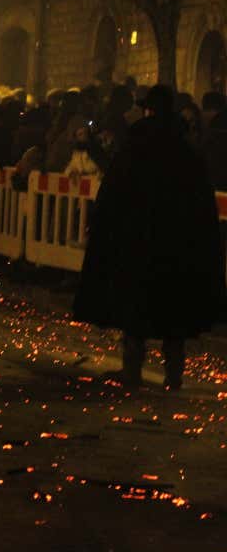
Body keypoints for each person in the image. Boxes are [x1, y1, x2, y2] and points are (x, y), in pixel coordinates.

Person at [74, 85, 225, 390]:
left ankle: (133, 369)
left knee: (135, 309)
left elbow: (115, 190)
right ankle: (174, 374)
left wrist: (104, 227)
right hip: (177, 245)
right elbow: (201, 203)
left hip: (138, 242)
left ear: (148, 111)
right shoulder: (187, 152)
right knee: (174, 313)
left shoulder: (137, 147)